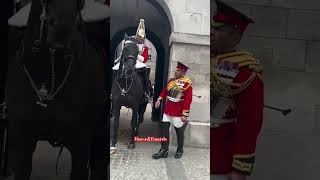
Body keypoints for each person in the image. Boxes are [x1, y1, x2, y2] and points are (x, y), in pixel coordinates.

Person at [210, 1, 264, 180]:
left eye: (219, 30)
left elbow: (250, 123)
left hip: (219, 159)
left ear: (235, 38)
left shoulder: (244, 69)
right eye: (212, 28)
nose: (212, 33)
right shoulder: (209, 58)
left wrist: (239, 168)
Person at [152, 62, 192, 159]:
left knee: (179, 131)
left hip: (178, 112)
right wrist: (159, 99)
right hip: (168, 109)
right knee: (164, 130)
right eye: (176, 70)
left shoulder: (187, 84)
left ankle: (180, 149)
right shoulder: (171, 81)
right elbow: (165, 91)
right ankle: (164, 150)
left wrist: (185, 114)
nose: (175, 72)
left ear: (183, 72)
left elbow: (188, 100)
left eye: (178, 70)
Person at [112, 19, 151, 101]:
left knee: (145, 73)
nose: (140, 38)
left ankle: (145, 92)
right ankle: (112, 91)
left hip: (139, 62)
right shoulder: (132, 43)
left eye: (142, 37)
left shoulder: (145, 48)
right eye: (139, 36)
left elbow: (145, 59)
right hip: (127, 61)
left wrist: (137, 55)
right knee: (114, 69)